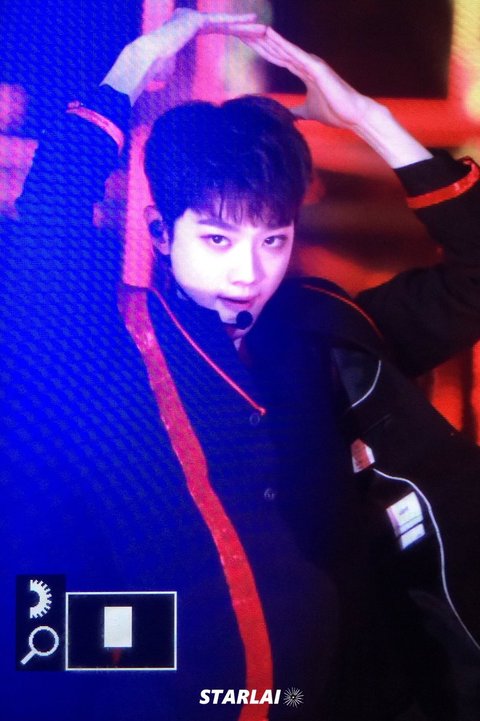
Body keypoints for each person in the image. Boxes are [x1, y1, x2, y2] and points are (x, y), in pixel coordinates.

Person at [1, 9, 480, 721]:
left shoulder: (326, 331)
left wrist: (369, 119)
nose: (248, 272)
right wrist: (133, 69)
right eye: (219, 239)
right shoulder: (114, 338)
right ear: (162, 233)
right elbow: (46, 227)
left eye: (272, 239)